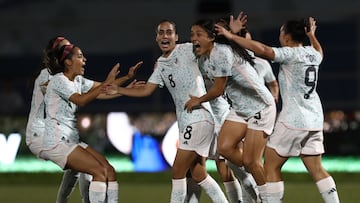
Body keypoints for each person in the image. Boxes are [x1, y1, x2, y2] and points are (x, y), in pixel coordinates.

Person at [215, 14, 340, 202]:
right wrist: (312, 35)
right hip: (314, 120)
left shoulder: (289, 54)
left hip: (293, 120)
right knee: (317, 169)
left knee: (270, 166)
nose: (279, 35)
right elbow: (319, 51)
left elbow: (264, 50)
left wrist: (231, 36)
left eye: (281, 32)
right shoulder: (312, 54)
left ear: (288, 37)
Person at [106, 19, 228, 203]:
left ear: (176, 37)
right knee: (198, 174)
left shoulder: (187, 49)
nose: (165, 35)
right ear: (156, 38)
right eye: (161, 32)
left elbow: (207, 45)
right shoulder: (161, 64)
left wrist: (227, 36)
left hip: (199, 117)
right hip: (188, 121)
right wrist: (120, 90)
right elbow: (147, 90)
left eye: (169, 32)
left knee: (178, 171)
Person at [185, 18, 276, 202]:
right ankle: (256, 174)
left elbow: (218, 89)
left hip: (261, 106)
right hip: (240, 109)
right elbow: (182, 53)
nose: (194, 38)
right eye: (192, 34)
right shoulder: (205, 58)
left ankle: (270, 198)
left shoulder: (222, 53)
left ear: (211, 38)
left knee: (251, 161)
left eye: (199, 34)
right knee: (225, 148)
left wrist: (198, 101)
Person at [38, 43, 142, 203]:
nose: (84, 59)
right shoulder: (59, 81)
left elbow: (103, 89)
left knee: (109, 170)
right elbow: (82, 100)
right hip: (56, 143)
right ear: (68, 62)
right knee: (99, 172)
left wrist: (126, 81)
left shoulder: (77, 80)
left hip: (70, 141)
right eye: (80, 56)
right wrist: (107, 82)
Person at [26, 36, 91, 203]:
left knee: (79, 165)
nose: (70, 50)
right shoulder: (48, 76)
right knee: (85, 163)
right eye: (65, 48)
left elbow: (97, 89)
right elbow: (74, 96)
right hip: (39, 134)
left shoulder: (66, 77)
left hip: (53, 132)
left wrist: (123, 87)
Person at [239, 29, 279, 103]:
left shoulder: (262, 63)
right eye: (244, 42)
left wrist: (274, 97)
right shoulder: (229, 64)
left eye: (249, 42)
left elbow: (273, 84)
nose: (247, 45)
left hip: (260, 108)